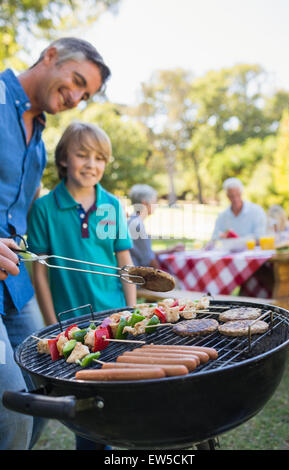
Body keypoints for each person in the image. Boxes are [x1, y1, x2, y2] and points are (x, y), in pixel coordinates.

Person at [0, 37, 111, 450]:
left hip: (15, 284)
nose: (76, 98)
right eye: (77, 81)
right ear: (50, 57)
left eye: (86, 95)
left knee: (47, 386)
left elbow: (21, 205)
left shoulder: (40, 135)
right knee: (11, 399)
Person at [27, 121, 136, 324]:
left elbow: (124, 261)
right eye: (82, 155)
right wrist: (52, 324)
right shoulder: (43, 209)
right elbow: (40, 274)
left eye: (100, 158)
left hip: (114, 316)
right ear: (63, 159)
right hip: (68, 321)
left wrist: (131, 311)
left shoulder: (112, 205)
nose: (91, 165)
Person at [128, 184, 184, 269]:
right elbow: (149, 260)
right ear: (144, 203)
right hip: (138, 277)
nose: (156, 205)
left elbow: (147, 253)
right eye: (154, 202)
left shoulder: (133, 221)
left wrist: (170, 250)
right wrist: (164, 278)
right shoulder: (137, 225)